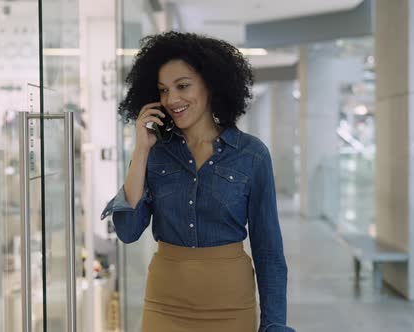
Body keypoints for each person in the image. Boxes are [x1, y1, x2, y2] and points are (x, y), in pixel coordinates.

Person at [100, 31, 293, 332]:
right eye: (163, 90)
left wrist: (274, 324)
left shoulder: (251, 155)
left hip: (231, 307)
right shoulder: (155, 153)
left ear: (210, 85)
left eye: (183, 86)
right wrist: (140, 149)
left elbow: (268, 250)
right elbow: (127, 231)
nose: (171, 99)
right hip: (164, 305)